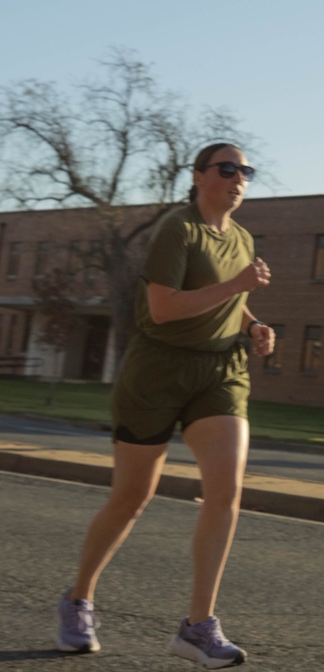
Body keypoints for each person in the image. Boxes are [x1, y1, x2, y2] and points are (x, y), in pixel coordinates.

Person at [56, 143, 274, 666]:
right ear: (199, 177)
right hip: (156, 372)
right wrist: (238, 286)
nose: (238, 177)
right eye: (227, 168)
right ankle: (78, 597)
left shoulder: (242, 238)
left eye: (246, 171)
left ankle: (198, 627)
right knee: (132, 497)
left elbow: (234, 304)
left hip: (220, 372)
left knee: (226, 490)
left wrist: (256, 324)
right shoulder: (179, 230)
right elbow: (164, 307)